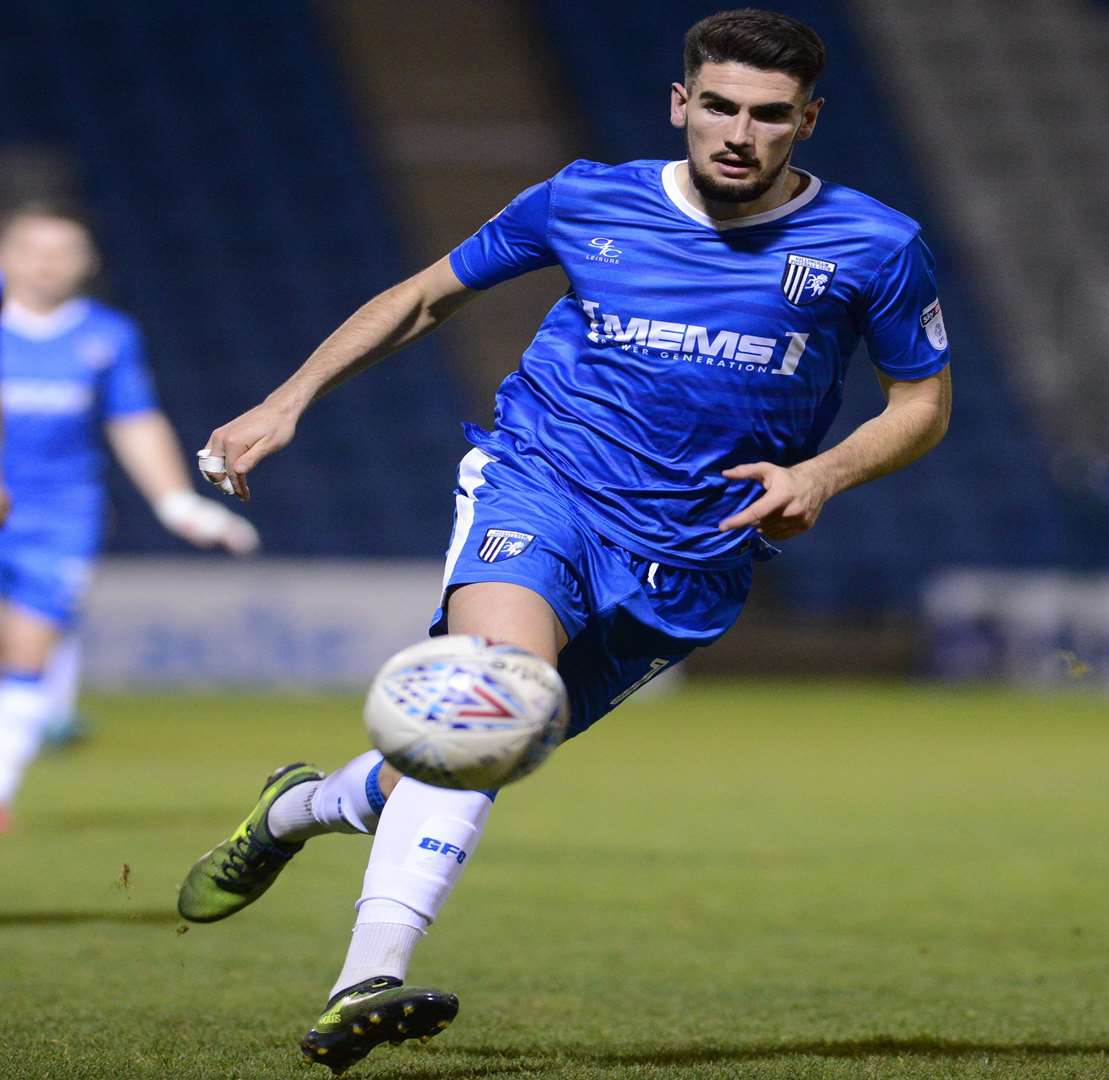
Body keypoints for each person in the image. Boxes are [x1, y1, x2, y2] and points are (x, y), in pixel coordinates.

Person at [173, 10, 952, 1073]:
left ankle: (295, 811)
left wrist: (821, 473)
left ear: (807, 122)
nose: (738, 132)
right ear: (680, 103)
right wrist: (288, 400)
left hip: (692, 556)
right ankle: (366, 981)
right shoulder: (588, 197)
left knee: (464, 752)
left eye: (769, 116)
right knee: (494, 693)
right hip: (541, 486)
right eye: (717, 105)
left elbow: (923, 404)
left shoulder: (874, 243)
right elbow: (425, 297)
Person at [0, 204, 258, 832]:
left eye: (63, 251)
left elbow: (134, 421)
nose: (47, 263)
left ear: (86, 265)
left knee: (27, 647)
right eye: (34, 248)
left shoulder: (106, 336)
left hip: (59, 515)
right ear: (7, 255)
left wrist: (175, 502)